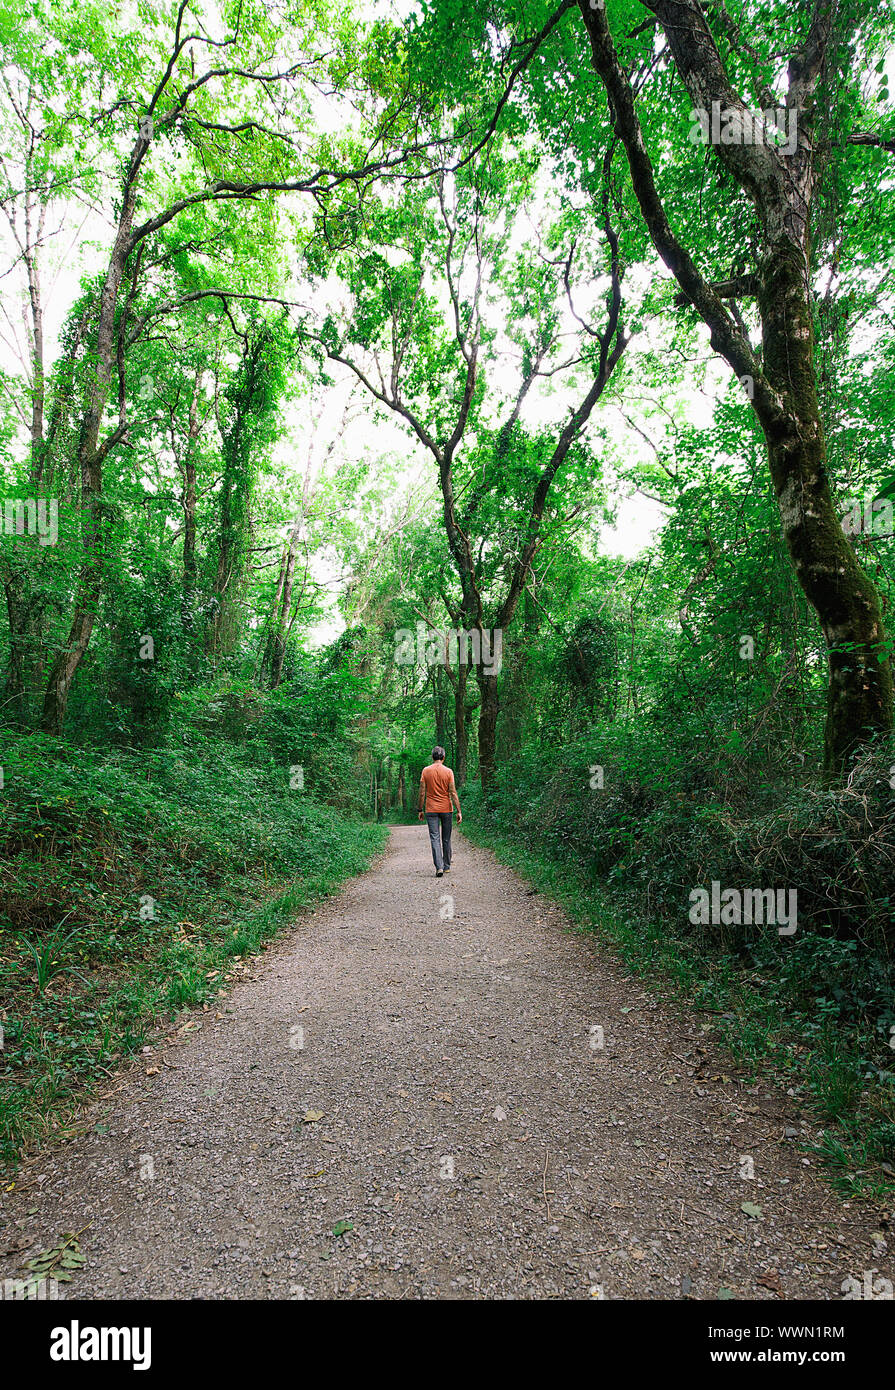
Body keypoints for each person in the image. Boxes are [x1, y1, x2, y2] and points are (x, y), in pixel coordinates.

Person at [417, 746, 462, 877]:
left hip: (431, 809)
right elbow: (453, 793)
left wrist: (420, 809)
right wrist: (459, 811)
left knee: (434, 838)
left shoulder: (426, 771)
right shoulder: (448, 772)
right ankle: (447, 866)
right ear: (443, 757)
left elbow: (422, 792)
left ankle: (439, 867)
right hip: (446, 809)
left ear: (432, 757)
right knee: (446, 838)